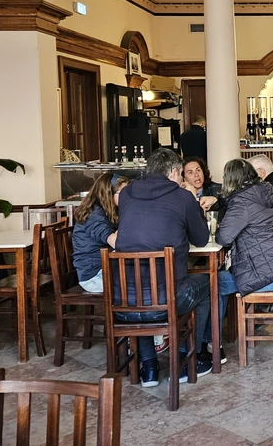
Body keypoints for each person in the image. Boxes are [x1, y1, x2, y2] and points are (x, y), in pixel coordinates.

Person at [115, 148, 213, 385]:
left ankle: (148, 367)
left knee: (141, 288)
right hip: (167, 302)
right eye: (180, 174)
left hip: (122, 303)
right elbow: (200, 239)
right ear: (173, 172)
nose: (181, 179)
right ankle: (183, 360)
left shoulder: (127, 194)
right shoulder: (183, 197)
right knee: (208, 284)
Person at [215, 159, 273, 326]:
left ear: (230, 180)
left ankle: (212, 343)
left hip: (269, 274)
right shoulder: (265, 192)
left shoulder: (241, 202)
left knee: (213, 283)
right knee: (221, 278)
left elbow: (223, 238)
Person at [72, 172, 129, 293]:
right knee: (142, 280)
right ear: (109, 194)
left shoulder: (107, 210)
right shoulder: (93, 214)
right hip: (93, 276)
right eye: (123, 193)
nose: (127, 197)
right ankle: (128, 311)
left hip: (103, 268)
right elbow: (115, 242)